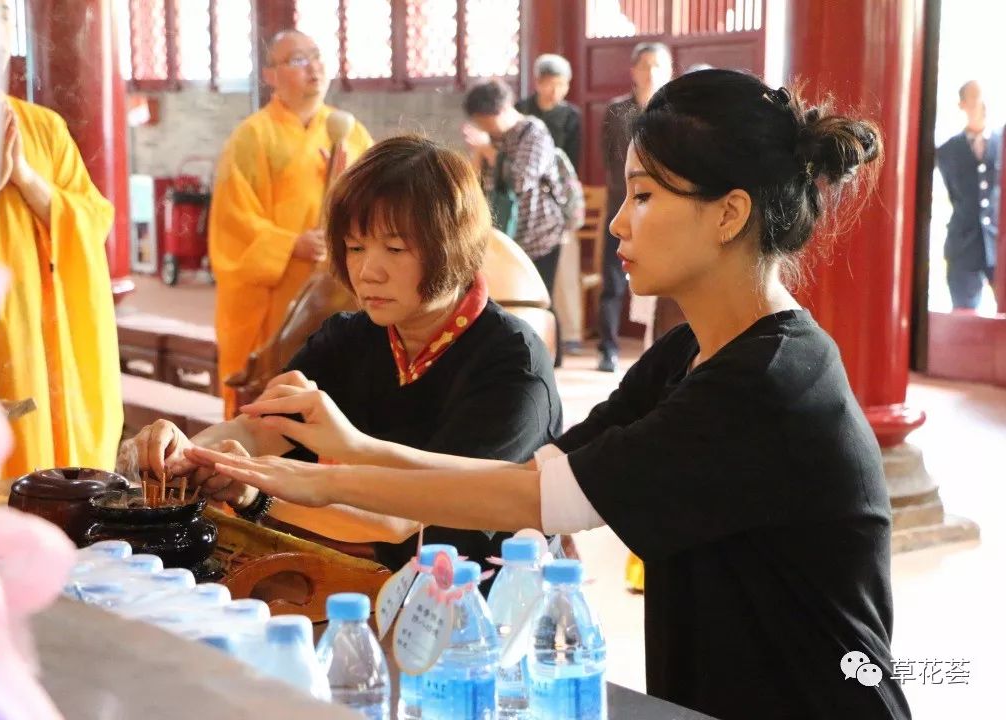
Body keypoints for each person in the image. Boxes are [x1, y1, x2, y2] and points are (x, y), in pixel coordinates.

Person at [186, 70, 911, 720]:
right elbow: (539, 476)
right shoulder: (691, 354)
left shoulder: (767, 383)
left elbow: (528, 502)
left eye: (646, 195)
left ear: (729, 214)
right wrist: (352, 451)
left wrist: (303, 480)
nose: (621, 221)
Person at [132, 135, 562, 573]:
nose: (367, 272)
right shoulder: (349, 336)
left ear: (453, 245)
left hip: (476, 606)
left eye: (394, 249)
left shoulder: (513, 367)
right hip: (350, 586)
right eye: (355, 247)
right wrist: (185, 453)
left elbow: (407, 516)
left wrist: (256, 491)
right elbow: (263, 430)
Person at [0, 0, 121, 478]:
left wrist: (25, 178)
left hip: (40, 329)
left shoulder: (43, 128)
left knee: (49, 466)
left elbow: (93, 219)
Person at [209, 29, 373, 416]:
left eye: (317, 56)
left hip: (339, 291)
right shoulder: (252, 137)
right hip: (279, 295)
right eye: (298, 60)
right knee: (271, 402)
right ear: (270, 75)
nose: (314, 68)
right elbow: (233, 222)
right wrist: (289, 244)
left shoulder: (353, 132)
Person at [598, 41, 673, 372]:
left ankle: (658, 351)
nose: (651, 72)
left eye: (658, 65)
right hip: (620, 203)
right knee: (613, 281)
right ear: (634, 70)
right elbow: (609, 158)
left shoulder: (672, 111)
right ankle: (607, 349)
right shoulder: (617, 111)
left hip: (661, 209)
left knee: (663, 282)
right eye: (645, 65)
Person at [462, 80, 566, 317]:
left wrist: (488, 151)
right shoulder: (490, 138)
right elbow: (473, 186)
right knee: (502, 304)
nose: (481, 126)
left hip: (539, 236)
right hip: (502, 238)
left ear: (500, 110)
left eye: (482, 119)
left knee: (539, 305)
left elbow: (522, 180)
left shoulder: (533, 132)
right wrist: (478, 155)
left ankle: (549, 354)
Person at [517, 53, 587, 358]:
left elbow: (572, 162)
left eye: (562, 85)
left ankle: (569, 334)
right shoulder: (521, 110)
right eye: (551, 84)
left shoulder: (572, 116)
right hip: (525, 203)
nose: (556, 91)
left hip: (557, 202)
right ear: (538, 83)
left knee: (563, 273)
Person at [935, 80, 1000, 311]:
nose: (980, 104)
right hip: (962, 246)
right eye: (973, 99)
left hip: (1000, 243)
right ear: (962, 104)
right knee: (963, 318)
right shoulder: (947, 151)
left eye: (982, 98)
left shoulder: (1002, 142)